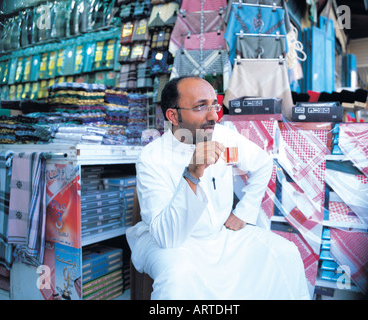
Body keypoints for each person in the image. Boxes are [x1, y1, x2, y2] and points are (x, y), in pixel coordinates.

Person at [126, 76, 310, 299]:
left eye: (214, 105)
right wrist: (192, 173)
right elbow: (167, 237)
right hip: (175, 245)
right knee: (177, 276)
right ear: (173, 116)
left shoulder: (222, 136)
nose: (214, 115)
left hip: (221, 236)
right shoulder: (152, 157)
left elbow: (263, 163)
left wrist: (244, 211)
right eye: (201, 106)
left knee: (285, 253)